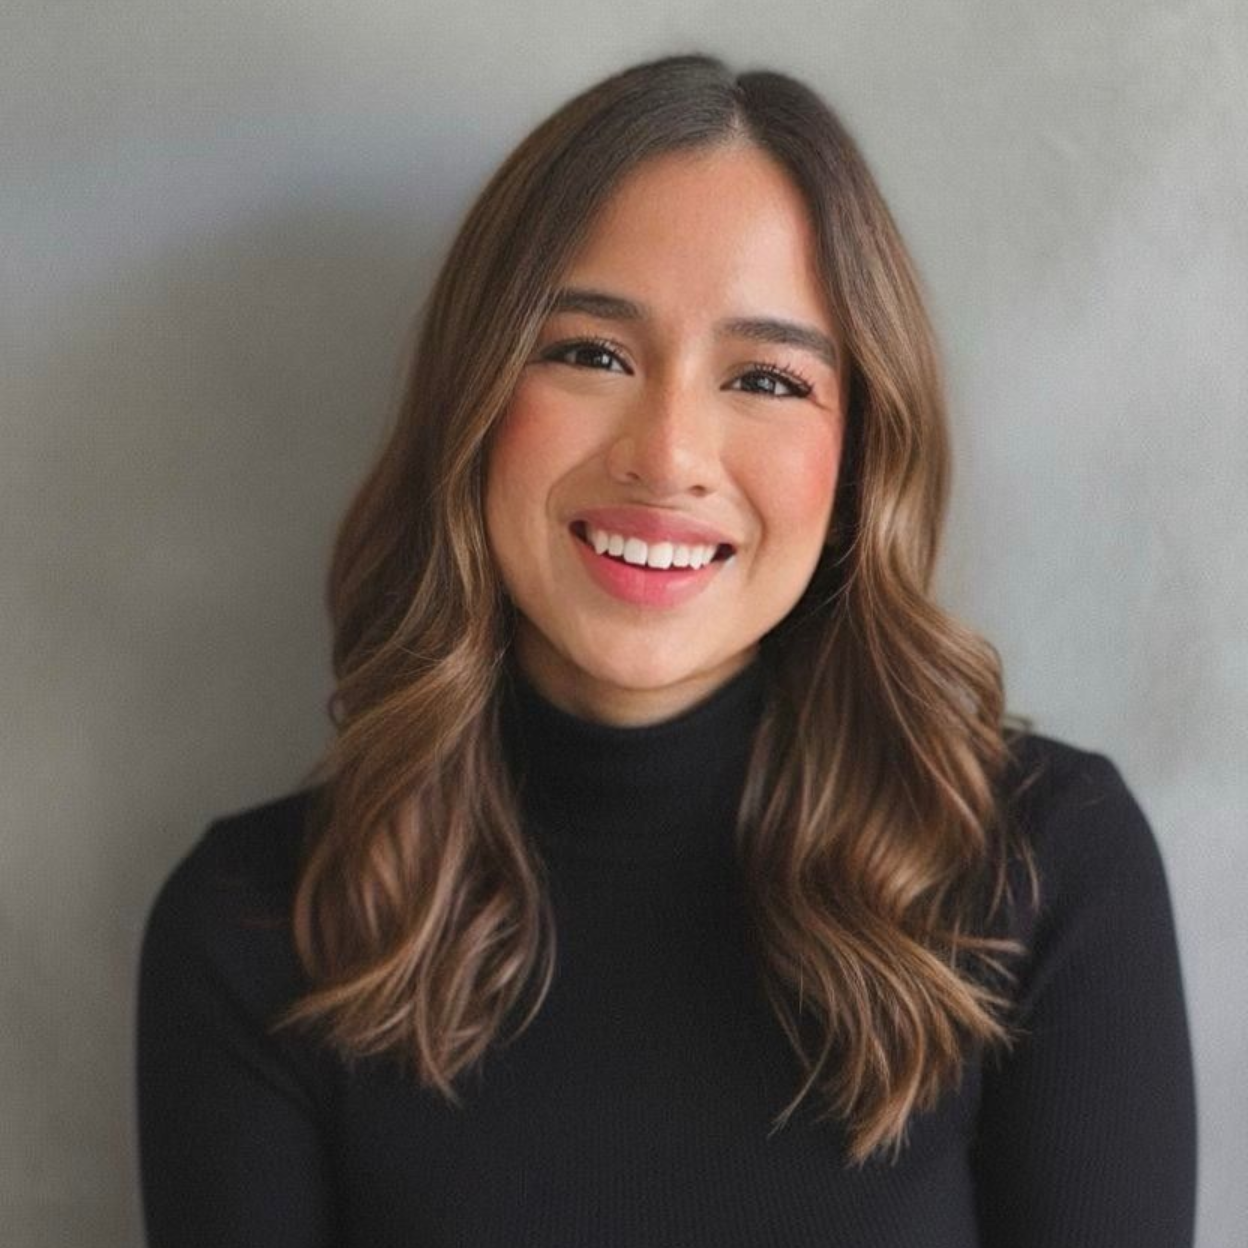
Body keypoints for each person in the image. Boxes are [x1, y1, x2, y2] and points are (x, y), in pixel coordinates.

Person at [135, 52, 1197, 1247]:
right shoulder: (254, 930)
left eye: (766, 377)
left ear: (858, 462)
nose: (670, 453)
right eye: (591, 353)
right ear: (473, 399)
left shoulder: (1046, 873)